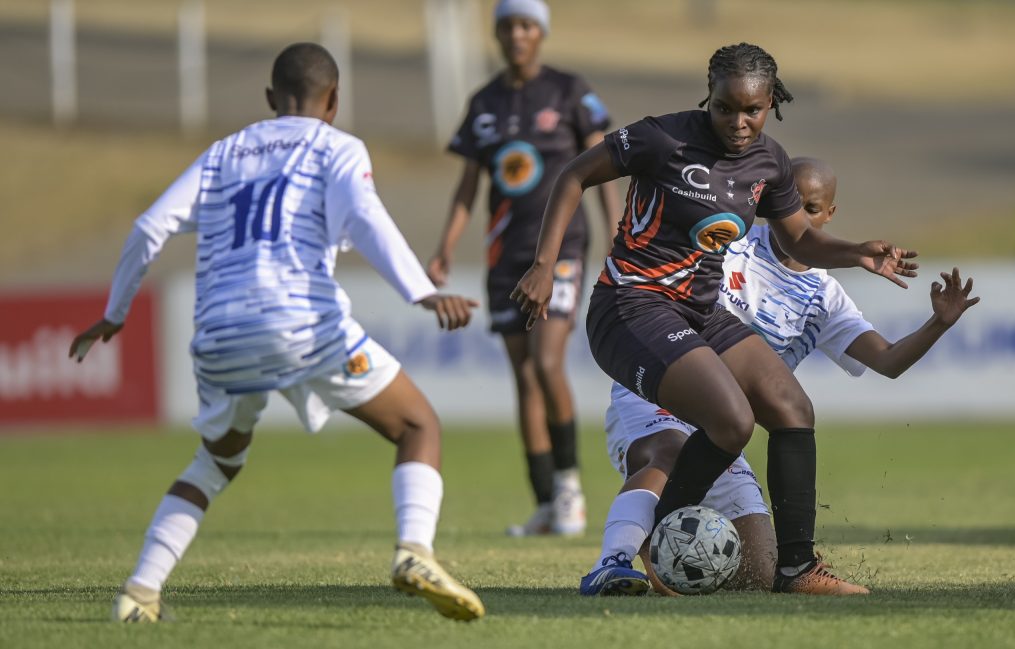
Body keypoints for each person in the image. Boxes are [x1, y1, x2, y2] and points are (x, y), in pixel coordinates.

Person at [69, 43, 485, 622]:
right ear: (334, 100)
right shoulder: (335, 147)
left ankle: (140, 591)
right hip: (301, 322)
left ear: (270, 99)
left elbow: (150, 225)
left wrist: (116, 311)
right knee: (419, 424)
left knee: (215, 462)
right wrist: (422, 291)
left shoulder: (222, 154)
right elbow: (364, 216)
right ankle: (414, 551)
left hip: (217, 333)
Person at [511, 42, 920, 595]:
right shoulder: (662, 138)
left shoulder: (770, 161)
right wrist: (544, 265)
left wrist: (857, 253)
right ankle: (644, 550)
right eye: (725, 108)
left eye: (751, 110)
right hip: (631, 305)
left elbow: (798, 237)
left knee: (792, 407)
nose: (738, 122)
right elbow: (572, 176)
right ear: (710, 95)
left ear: (770, 102)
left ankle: (797, 570)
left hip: (699, 310)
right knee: (731, 422)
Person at [579, 157, 980, 596]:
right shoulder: (732, 243)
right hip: (664, 383)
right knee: (667, 451)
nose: (794, 218)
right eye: (785, 205)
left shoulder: (825, 297)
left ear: (830, 214)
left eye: (810, 208)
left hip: (727, 429)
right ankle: (613, 562)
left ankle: (764, 568)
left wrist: (938, 324)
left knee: (756, 573)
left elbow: (887, 361)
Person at [428, 0, 618, 536]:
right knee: (523, 376)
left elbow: (603, 162)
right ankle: (545, 501)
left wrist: (616, 233)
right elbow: (469, 185)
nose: (517, 35)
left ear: (541, 33)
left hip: (561, 250)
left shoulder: (568, 90)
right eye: (508, 25)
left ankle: (570, 490)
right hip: (502, 257)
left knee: (546, 362)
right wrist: (445, 246)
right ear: (497, 34)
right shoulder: (484, 102)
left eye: (527, 25)